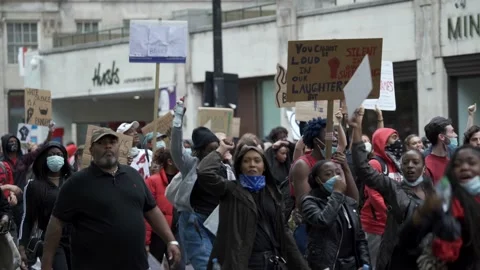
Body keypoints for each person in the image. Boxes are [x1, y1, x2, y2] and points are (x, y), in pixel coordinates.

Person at [40, 128, 180, 270]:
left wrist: (171, 241)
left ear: (118, 147)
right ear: (92, 149)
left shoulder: (133, 176)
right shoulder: (76, 183)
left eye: (112, 142)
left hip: (135, 264)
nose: (108, 146)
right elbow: (56, 223)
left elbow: (152, 210)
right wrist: (47, 263)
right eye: (101, 143)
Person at [196, 141, 308, 270]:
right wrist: (221, 150)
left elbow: (284, 233)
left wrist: (301, 266)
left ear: (264, 166)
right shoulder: (231, 190)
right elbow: (204, 172)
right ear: (240, 166)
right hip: (243, 263)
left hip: (271, 263)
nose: (252, 165)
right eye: (246, 161)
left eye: (257, 160)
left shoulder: (273, 194)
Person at [351, 111, 435, 270]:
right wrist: (356, 129)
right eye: (406, 163)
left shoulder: (432, 192)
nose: (410, 166)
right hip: (398, 258)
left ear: (423, 168)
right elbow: (363, 169)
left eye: (415, 162)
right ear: (401, 167)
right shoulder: (392, 187)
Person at [401, 144, 480, 269]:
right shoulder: (442, 201)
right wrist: (422, 212)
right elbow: (407, 240)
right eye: (457, 164)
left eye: (471, 163)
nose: (464, 167)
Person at [302, 158, 370, 270]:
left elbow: (360, 237)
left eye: (338, 173)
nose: (336, 177)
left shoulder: (349, 202)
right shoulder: (310, 202)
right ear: (318, 180)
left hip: (351, 264)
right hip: (327, 265)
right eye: (328, 174)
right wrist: (337, 193)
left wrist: (365, 263)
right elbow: (323, 220)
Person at [19, 142, 72, 270]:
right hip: (51, 241)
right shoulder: (33, 186)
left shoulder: (73, 182)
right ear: (44, 158)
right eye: (52, 155)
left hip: (74, 240)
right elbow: (27, 218)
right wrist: (22, 246)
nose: (56, 157)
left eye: (59, 154)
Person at [145, 148, 178, 265]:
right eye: (178, 157)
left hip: (177, 233)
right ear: (170, 161)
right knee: (154, 265)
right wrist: (146, 241)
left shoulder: (184, 180)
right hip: (157, 234)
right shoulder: (152, 181)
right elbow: (147, 212)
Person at [424, 117, 457, 184]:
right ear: (441, 137)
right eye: (452, 132)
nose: (456, 135)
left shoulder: (452, 161)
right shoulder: (427, 166)